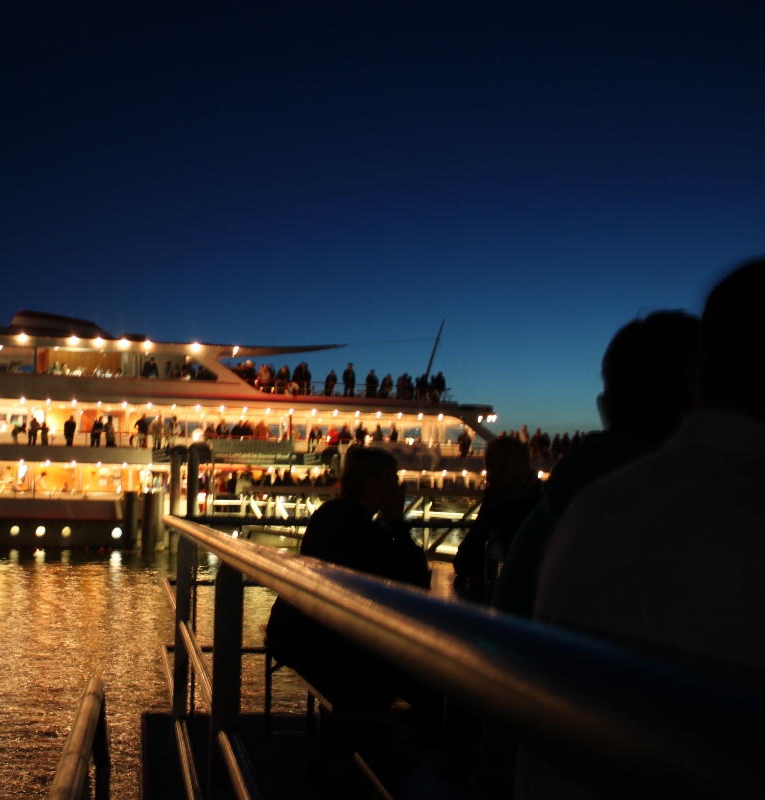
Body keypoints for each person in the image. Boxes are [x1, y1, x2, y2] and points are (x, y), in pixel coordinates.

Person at [475, 309, 703, 799]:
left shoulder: (563, 508)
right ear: (699, 396)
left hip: (529, 762)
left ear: (607, 406)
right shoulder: (698, 509)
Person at [266, 448, 431, 773]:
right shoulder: (360, 529)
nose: (398, 487)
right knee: (409, 678)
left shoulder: (333, 515)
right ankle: (361, 764)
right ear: (374, 486)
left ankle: (340, 754)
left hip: (300, 632)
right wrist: (397, 520)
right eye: (392, 480)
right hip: (322, 644)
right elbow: (415, 579)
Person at [452, 437, 541, 602]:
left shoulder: (540, 508)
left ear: (523, 469)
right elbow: (463, 562)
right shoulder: (499, 499)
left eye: (503, 467)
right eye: (490, 470)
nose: (493, 476)